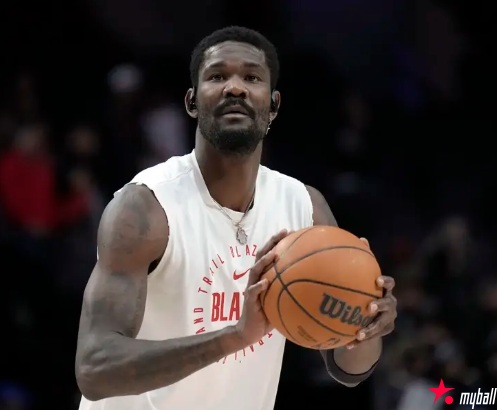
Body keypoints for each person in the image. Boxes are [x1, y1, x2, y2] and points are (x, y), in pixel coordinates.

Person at [75, 26, 397, 410]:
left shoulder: (304, 207)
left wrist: (366, 324)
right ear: (192, 102)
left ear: (273, 105)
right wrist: (234, 337)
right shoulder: (146, 208)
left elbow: (348, 370)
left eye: (252, 77)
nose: (235, 88)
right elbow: (94, 369)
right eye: (217, 76)